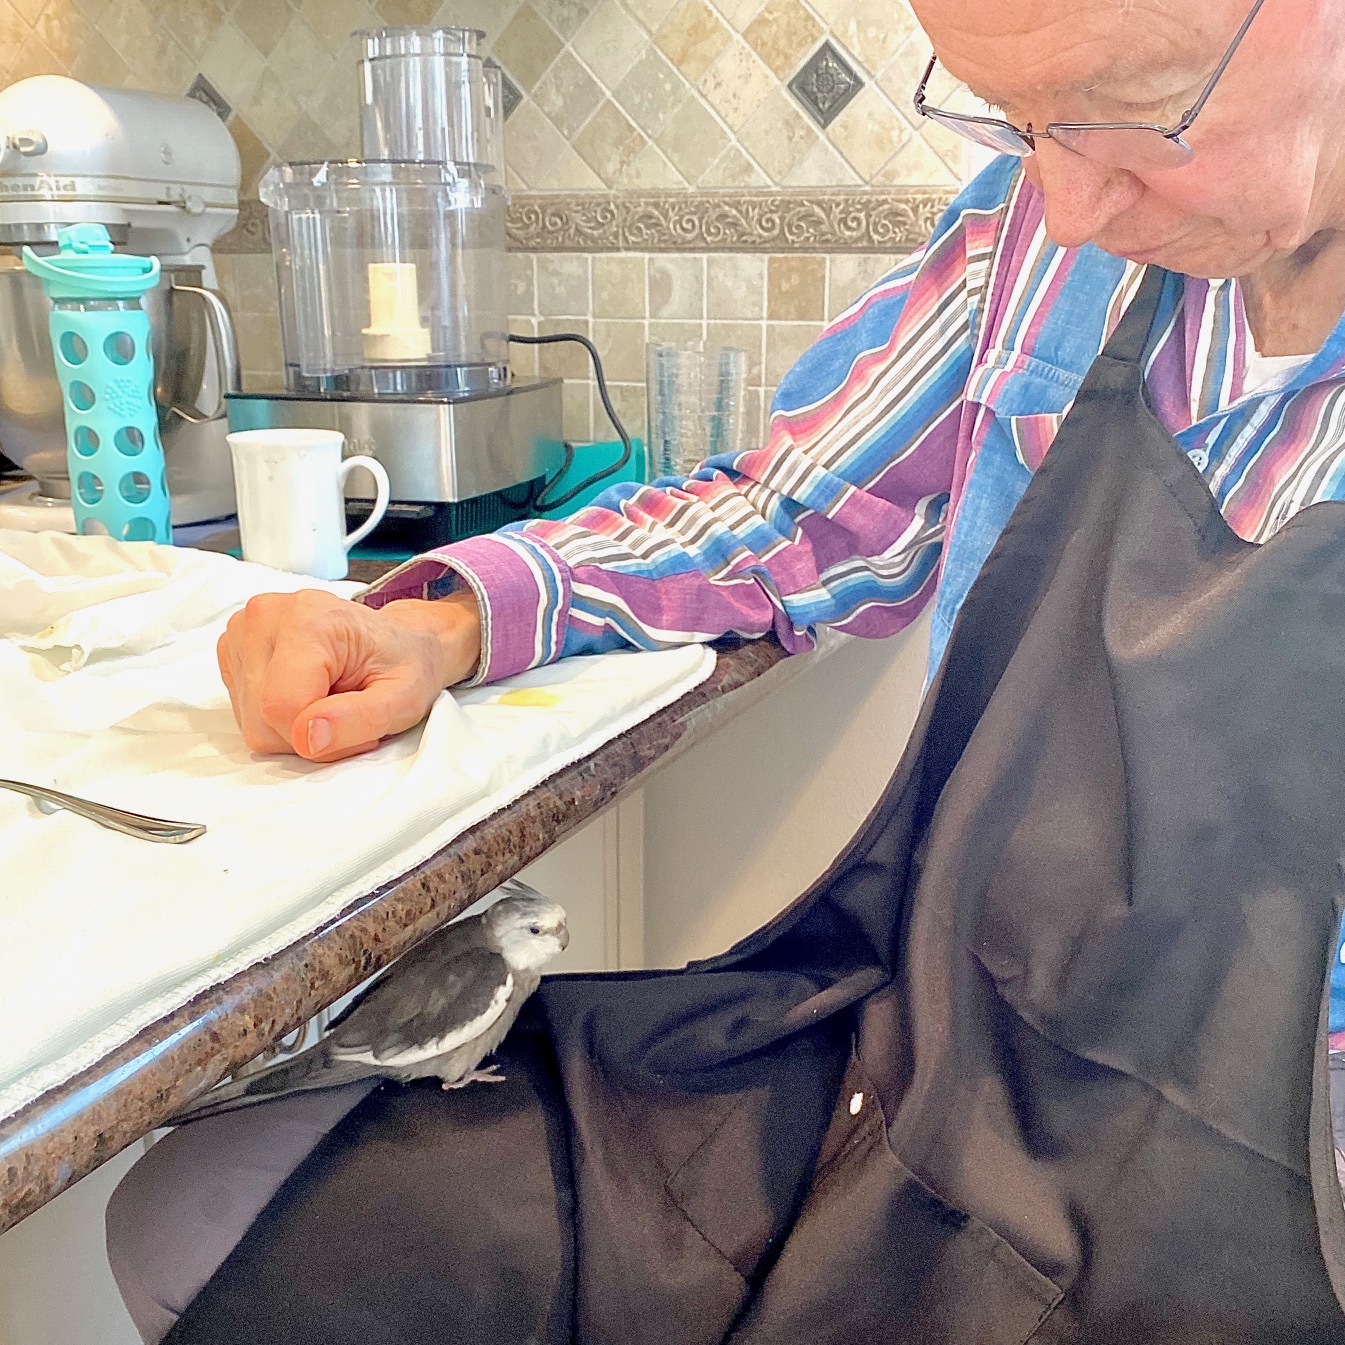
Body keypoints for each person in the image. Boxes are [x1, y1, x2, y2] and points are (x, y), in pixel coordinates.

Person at [110, 0, 1345, 1337]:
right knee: (209, 1209)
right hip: (927, 1044)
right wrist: (449, 615)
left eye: (1126, 107)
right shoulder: (1033, 241)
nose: (1070, 199)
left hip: (1256, 1180)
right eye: (1020, 121)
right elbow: (786, 511)